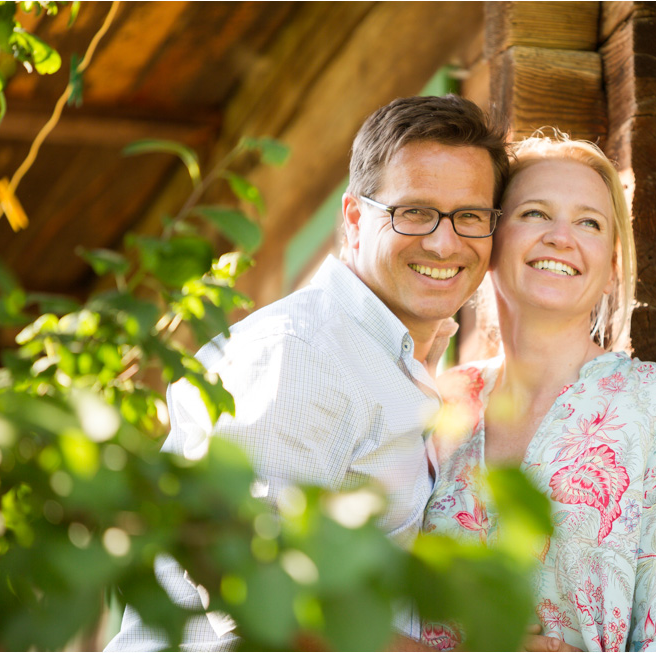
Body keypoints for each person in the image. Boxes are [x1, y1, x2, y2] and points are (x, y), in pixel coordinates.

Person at [106, 94, 508, 651]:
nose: (444, 241)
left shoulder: (395, 363)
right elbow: (255, 598)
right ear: (353, 219)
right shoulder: (302, 354)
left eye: (469, 216)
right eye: (414, 211)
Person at [421, 134, 656, 652]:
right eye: (536, 213)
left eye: (589, 222)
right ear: (492, 243)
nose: (562, 237)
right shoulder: (440, 401)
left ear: (610, 269)